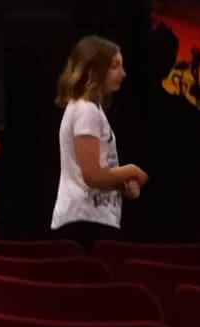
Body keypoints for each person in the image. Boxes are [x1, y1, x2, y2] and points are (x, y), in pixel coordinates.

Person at [50, 36, 148, 248]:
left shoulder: (90, 109)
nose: (123, 74)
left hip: (91, 219)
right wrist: (131, 171)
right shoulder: (86, 110)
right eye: (115, 67)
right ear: (94, 70)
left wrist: (120, 185)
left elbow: (96, 170)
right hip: (85, 220)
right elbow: (92, 175)